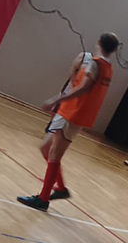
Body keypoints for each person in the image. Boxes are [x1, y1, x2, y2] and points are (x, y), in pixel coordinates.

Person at [17, 33, 119, 211]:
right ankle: (61, 189)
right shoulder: (108, 68)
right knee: (45, 149)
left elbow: (83, 88)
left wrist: (56, 99)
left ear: (99, 42)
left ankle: (43, 199)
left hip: (73, 113)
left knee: (54, 155)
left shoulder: (95, 64)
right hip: (72, 112)